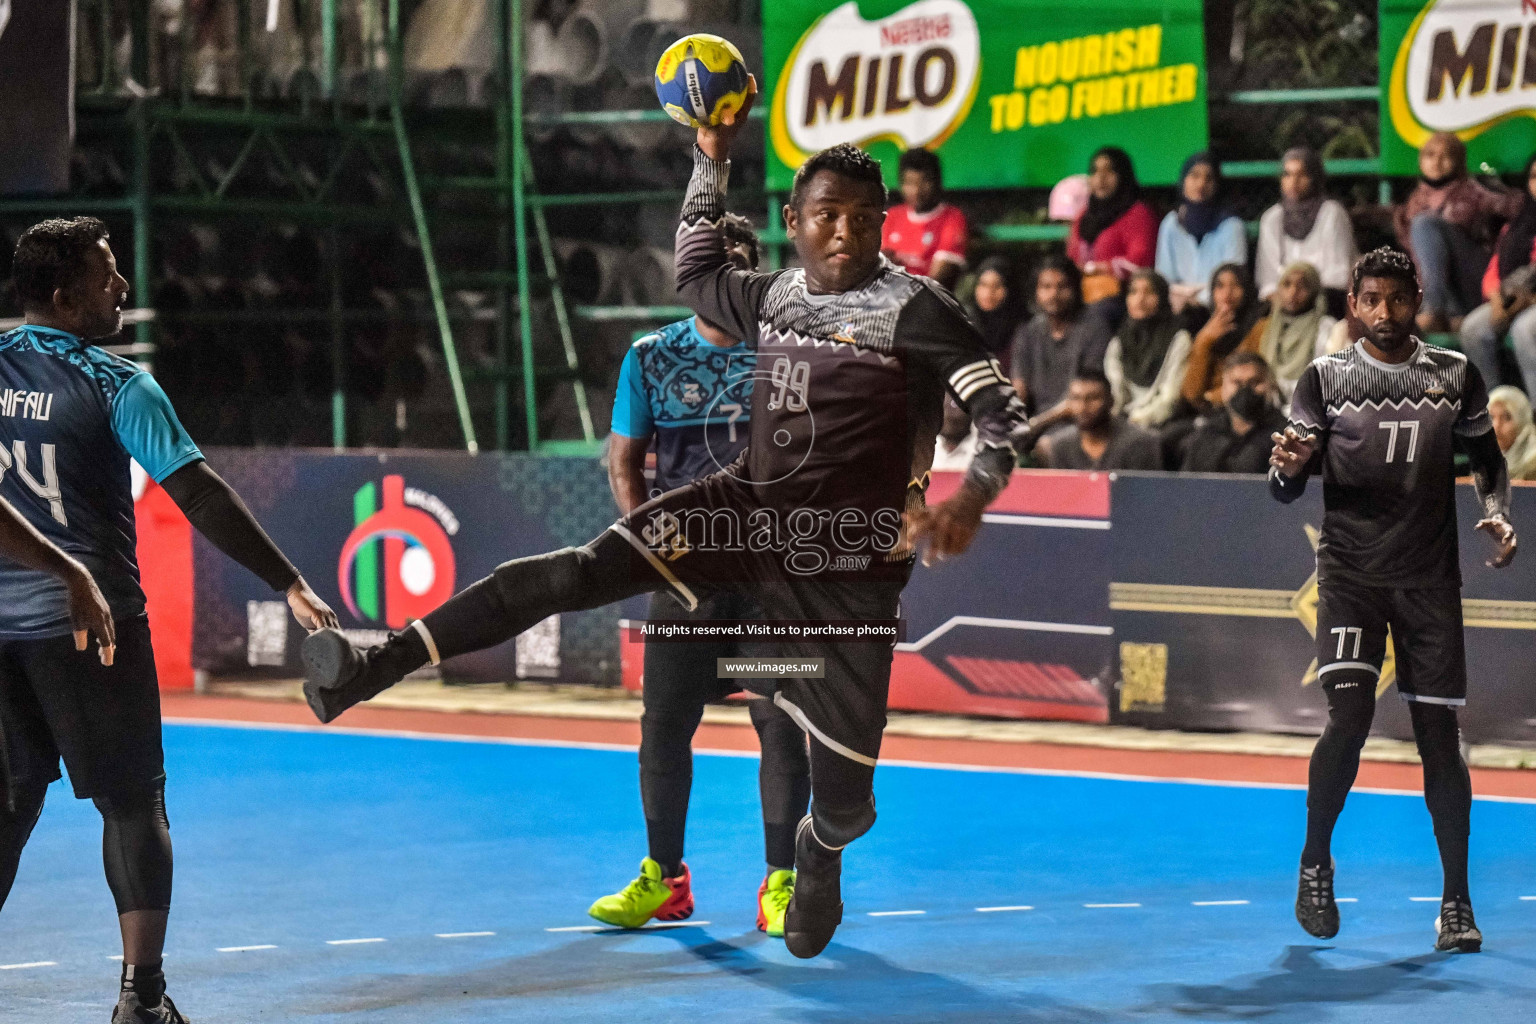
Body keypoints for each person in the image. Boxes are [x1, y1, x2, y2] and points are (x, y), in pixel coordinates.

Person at [297, 82, 1034, 962]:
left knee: (846, 803)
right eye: (829, 215)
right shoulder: (772, 296)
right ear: (795, 220)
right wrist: (710, 157)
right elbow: (693, 272)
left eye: (866, 218)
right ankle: (377, 662)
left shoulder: (918, 309)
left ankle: (816, 851)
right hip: (741, 513)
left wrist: (968, 497)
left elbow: (1003, 423)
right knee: (575, 571)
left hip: (843, 565)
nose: (847, 232)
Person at [0, 217, 338, 1024]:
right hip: (93, 629)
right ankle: (141, 999)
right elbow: (198, 493)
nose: (122, 288)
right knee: (134, 803)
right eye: (106, 275)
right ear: (62, 295)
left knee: (8, 805)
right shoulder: (118, 384)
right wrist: (286, 579)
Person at [1270, 246, 1517, 955]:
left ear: (1417, 300)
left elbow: (1488, 466)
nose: (1385, 313)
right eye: (1371, 299)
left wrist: (1497, 512)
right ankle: (1316, 859)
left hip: (1429, 582)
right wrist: (1286, 469)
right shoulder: (1325, 379)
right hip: (1349, 578)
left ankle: (1457, 904)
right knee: (1348, 716)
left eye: (1398, 300)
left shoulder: (1455, 375)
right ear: (1352, 302)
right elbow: (1285, 483)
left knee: (1440, 739)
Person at [597, 215, 810, 938]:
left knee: (782, 724)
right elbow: (625, 463)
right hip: (684, 578)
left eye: (740, 269)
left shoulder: (789, 357)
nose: (727, 283)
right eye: (715, 268)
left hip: (771, 581)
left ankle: (782, 883)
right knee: (663, 728)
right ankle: (665, 880)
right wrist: (652, 552)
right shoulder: (649, 357)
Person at [1394, 132, 1523, 333]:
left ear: (1458, 161)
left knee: (1424, 224)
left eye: (1445, 156)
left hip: (1476, 282)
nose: (1437, 162)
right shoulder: (1416, 199)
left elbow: (1519, 206)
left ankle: (1434, 310)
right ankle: (1440, 312)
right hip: (1443, 292)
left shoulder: (1473, 191)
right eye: (1430, 155)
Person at [1458, 152, 1536, 391]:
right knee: (1473, 328)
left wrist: (1529, 299)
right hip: (1511, 296)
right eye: (1534, 176)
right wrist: (1495, 298)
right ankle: (1493, 410)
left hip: (1530, 301)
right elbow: (1496, 264)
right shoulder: (1521, 220)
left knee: (1525, 328)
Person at [1009, 255, 1112, 420]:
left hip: (1080, 421)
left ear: (1075, 289)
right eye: (1046, 287)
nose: (1053, 294)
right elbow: (1019, 388)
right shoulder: (1027, 332)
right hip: (1035, 421)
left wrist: (1038, 425)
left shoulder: (1094, 330)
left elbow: (1088, 392)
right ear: (1036, 291)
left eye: (1062, 286)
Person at [1255, 147, 1358, 310]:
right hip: (1282, 306)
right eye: (1287, 174)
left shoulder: (1332, 213)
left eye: (1302, 174)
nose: (1293, 182)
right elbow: (1268, 280)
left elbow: (1338, 276)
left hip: (1325, 304)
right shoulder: (1272, 218)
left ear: (1315, 178)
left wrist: (1302, 297)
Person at [1155, 151, 1248, 316]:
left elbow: (1233, 279)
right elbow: (1164, 278)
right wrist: (1184, 299)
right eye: (1194, 176)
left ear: (1217, 184)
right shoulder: (1171, 223)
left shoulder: (1231, 226)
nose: (1201, 184)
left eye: (1209, 178)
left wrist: (1200, 300)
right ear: (1183, 181)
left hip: (1219, 307)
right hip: (1178, 306)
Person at [1067, 147, 1158, 312]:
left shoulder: (1139, 213)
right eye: (1095, 171)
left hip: (1125, 299)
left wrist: (1094, 268)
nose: (1101, 178)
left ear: (1123, 175)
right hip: (1083, 295)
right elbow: (1071, 260)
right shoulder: (1083, 216)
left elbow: (1140, 264)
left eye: (1109, 171)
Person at [1104, 270, 1192, 429]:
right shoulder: (1119, 340)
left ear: (1162, 298)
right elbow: (1115, 393)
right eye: (1133, 292)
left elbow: (1170, 397)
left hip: (1163, 421)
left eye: (1149, 292)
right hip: (1124, 421)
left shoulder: (1179, 339)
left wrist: (1136, 422)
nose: (1140, 299)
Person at [1180, 351, 1288, 473]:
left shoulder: (1285, 437)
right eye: (1237, 383)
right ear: (1223, 387)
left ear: (1270, 385)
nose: (1246, 390)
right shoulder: (1206, 434)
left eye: (1254, 382)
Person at [1180, 263, 1266, 411]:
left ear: (1247, 290)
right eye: (1220, 286)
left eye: (1236, 286)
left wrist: (1209, 398)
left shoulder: (1260, 327)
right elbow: (1191, 393)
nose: (1227, 293)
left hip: (1246, 412)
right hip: (1208, 414)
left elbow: (1254, 384)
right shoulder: (1205, 327)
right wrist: (1204, 341)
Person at [881, 147, 968, 292]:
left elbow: (934, 283)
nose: (916, 191)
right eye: (909, 183)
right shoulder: (892, 216)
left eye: (924, 182)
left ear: (938, 182)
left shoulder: (952, 218)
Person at [1040, 371, 1161, 471]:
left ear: (1111, 401)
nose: (1083, 407)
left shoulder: (1139, 443)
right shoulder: (1061, 446)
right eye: (1076, 398)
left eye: (1093, 398)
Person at [1259, 262, 1338, 403]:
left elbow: (1324, 381)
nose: (1293, 293)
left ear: (1314, 291)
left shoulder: (1326, 327)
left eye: (1302, 286)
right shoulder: (1267, 327)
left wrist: (1279, 389)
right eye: (1287, 284)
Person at [964, 256, 1027, 371]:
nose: (988, 293)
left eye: (997, 286)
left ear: (1010, 289)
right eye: (983, 285)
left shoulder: (1024, 329)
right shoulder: (966, 325)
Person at [1488, 385, 1536, 481]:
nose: (1496, 426)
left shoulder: (1533, 465)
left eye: (1506, 417)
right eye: (1491, 417)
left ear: (1522, 422)